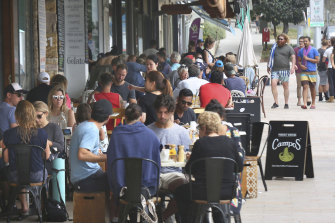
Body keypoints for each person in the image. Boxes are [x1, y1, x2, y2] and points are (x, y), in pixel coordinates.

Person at [174, 111, 244, 222]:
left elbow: (189, 170)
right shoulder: (229, 142)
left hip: (202, 191)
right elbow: (239, 167)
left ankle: (191, 219)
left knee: (180, 192)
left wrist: (192, 159)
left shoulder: (200, 143)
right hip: (227, 191)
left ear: (204, 128)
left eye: (199, 128)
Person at [107, 104, 160, 220]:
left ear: (125, 117)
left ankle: (116, 218)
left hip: (122, 189)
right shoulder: (152, 136)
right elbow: (157, 163)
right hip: (147, 188)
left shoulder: (116, 134)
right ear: (141, 117)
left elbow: (110, 162)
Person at [2, 100, 50, 215]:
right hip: (37, 175)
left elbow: (6, 160)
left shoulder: (8, 134)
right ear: (33, 115)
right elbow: (47, 156)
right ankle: (42, 208)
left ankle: (24, 207)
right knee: (44, 173)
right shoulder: (42, 133)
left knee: (18, 172)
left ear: (17, 115)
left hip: (15, 176)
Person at [147, 94, 190, 221]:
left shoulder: (181, 132)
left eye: (166, 112)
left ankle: (163, 217)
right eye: (160, 112)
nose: (162, 116)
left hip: (173, 173)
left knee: (185, 188)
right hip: (151, 174)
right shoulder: (148, 131)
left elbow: (186, 155)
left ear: (172, 112)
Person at [205, 99, 245, 216]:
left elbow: (239, 161)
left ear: (222, 118)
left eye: (215, 118)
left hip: (225, 180)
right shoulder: (201, 132)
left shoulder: (232, 132)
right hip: (212, 179)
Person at [69, 99, 113, 192]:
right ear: (108, 118)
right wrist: (106, 158)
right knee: (119, 181)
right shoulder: (91, 129)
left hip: (84, 175)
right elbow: (82, 154)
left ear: (92, 112)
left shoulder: (85, 125)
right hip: (84, 179)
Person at [33, 101, 64, 173]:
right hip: (35, 164)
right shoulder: (32, 129)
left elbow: (61, 147)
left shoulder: (54, 128)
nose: (36, 120)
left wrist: (48, 143)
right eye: (33, 117)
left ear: (46, 114)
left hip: (49, 164)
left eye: (39, 116)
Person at [267, 33, 296, 109]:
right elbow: (270, 57)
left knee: (285, 86)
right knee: (273, 84)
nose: (279, 40)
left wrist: (292, 67)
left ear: (285, 40)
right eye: (279, 39)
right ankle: (276, 102)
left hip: (284, 70)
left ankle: (286, 103)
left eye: (281, 39)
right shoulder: (274, 47)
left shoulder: (289, 48)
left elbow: (293, 57)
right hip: (275, 70)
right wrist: (268, 66)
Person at [297, 36, 319, 109]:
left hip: (312, 71)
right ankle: (305, 104)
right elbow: (299, 61)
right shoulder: (301, 51)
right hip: (304, 72)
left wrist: (308, 59)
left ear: (309, 42)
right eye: (304, 41)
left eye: (306, 41)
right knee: (305, 86)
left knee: (312, 87)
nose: (305, 42)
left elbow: (317, 60)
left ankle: (313, 103)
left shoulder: (314, 50)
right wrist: (301, 66)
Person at [294, 36, 307, 106]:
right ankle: (299, 100)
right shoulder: (296, 49)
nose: (301, 43)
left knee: (306, 85)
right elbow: (293, 59)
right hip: (298, 70)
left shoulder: (307, 49)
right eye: (300, 41)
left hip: (306, 70)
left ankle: (307, 98)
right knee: (299, 85)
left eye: (302, 41)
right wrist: (293, 65)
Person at [323, 37, 335, 102]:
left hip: (330, 68)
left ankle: (332, 97)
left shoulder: (328, 50)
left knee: (331, 83)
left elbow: (323, 60)